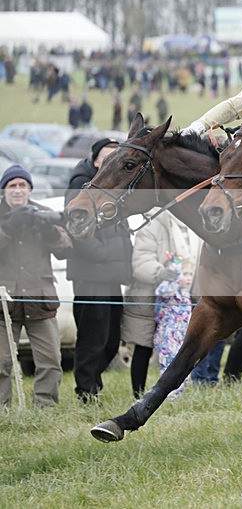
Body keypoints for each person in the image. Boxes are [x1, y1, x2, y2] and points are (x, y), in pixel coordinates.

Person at [65, 138, 133, 403]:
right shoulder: (81, 184)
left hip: (111, 276)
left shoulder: (111, 185)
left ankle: (93, 383)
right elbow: (76, 226)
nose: (110, 161)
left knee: (111, 340)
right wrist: (104, 255)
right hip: (91, 275)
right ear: (95, 161)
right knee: (92, 338)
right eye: (106, 157)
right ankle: (86, 392)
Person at [0, 165, 72, 407]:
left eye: (23, 185)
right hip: (4, 304)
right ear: (4, 190)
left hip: (40, 300)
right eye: (12, 185)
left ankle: (45, 407)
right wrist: (7, 228)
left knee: (51, 361)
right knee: (1, 363)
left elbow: (66, 249)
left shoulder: (44, 213)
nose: (18, 190)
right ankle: (2, 410)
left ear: (30, 189)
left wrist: (50, 232)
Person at [121, 211, 201, 398]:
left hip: (181, 300)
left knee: (179, 347)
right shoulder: (153, 224)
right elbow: (141, 261)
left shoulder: (195, 224)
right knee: (143, 346)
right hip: (149, 297)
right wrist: (160, 272)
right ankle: (138, 395)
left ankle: (174, 393)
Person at [153, 254, 194, 400]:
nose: (189, 278)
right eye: (185, 274)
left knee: (184, 366)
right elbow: (163, 291)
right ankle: (168, 397)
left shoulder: (185, 294)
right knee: (169, 366)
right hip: (168, 336)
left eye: (190, 274)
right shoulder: (168, 289)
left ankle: (178, 396)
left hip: (182, 335)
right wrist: (175, 272)